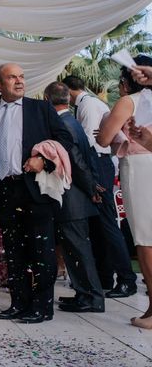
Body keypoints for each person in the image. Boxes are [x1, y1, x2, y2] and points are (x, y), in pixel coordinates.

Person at [0, 63, 72, 324]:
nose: (19, 81)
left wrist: (44, 160)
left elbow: (66, 140)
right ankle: (19, 303)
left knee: (41, 249)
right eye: (12, 77)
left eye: (21, 76)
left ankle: (42, 307)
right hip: (4, 191)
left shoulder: (41, 109)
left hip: (35, 188)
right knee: (13, 252)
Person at [62, 75, 138, 296]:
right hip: (97, 163)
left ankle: (126, 278)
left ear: (68, 90)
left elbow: (89, 144)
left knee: (107, 224)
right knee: (98, 225)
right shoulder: (88, 104)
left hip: (98, 164)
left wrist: (91, 180)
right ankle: (104, 277)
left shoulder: (88, 106)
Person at [96, 55, 152, 329]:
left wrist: (107, 128)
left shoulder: (130, 102)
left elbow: (104, 138)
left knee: (144, 238)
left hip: (140, 168)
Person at [43, 82, 104, 313]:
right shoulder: (72, 122)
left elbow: (76, 163)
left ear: (48, 99)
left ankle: (92, 297)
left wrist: (91, 189)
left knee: (79, 249)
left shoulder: (63, 125)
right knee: (73, 248)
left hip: (73, 198)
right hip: (74, 197)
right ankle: (82, 293)